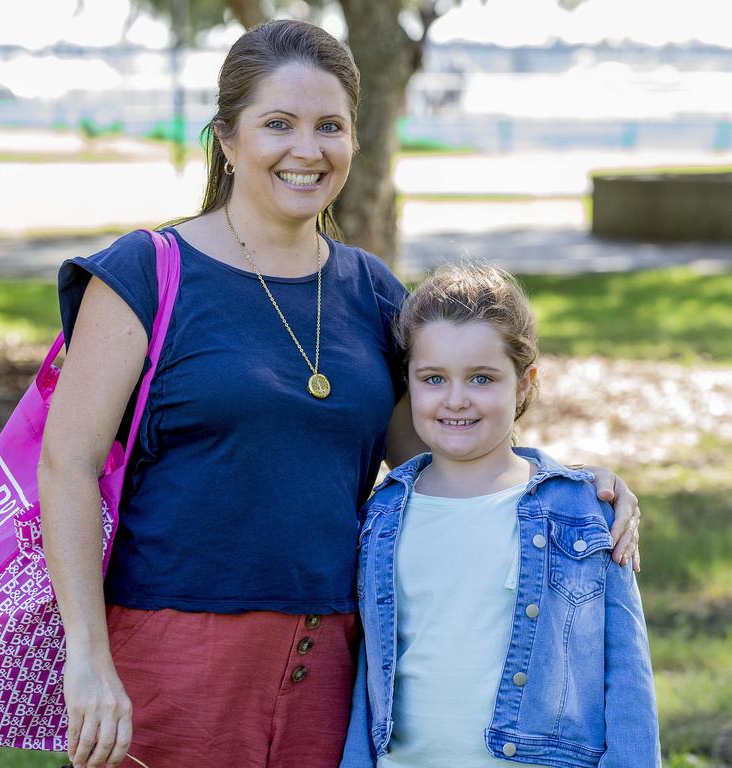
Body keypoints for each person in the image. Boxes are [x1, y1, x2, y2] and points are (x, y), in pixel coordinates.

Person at [38, 20, 641, 768]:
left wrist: (572, 488)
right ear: (227, 139)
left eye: (330, 126)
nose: (307, 148)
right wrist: (88, 661)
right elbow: (66, 463)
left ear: (355, 139)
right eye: (278, 124)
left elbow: (445, 457)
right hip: (173, 659)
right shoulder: (143, 273)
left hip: (338, 669)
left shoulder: (373, 292)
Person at [339, 264, 660, 768]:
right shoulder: (382, 515)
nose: (456, 399)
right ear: (409, 382)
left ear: (524, 382)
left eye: (482, 378)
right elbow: (366, 676)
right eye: (434, 378)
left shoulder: (580, 513)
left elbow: (626, 677)